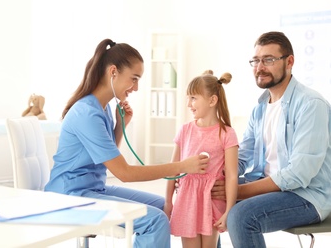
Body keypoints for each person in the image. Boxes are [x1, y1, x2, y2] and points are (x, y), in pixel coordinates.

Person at [44, 38, 210, 248]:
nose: (136, 87)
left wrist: (121, 126)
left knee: (167, 206)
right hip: (70, 197)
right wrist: (182, 166)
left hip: (92, 189)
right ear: (113, 71)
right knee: (155, 221)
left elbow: (106, 157)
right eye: (134, 79)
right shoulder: (86, 113)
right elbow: (124, 173)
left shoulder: (102, 108)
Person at [220, 31, 331, 248]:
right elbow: (242, 157)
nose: (259, 67)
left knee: (241, 217)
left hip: (307, 196)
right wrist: (210, 175)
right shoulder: (260, 108)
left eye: (268, 60)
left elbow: (299, 174)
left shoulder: (311, 104)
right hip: (270, 185)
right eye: (255, 60)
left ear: (289, 62)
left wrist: (236, 190)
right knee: (205, 196)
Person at [164, 70, 239, 248]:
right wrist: (168, 201)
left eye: (194, 98)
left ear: (212, 100)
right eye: (188, 98)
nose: (189, 104)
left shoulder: (227, 133)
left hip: (211, 202)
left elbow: (232, 176)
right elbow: (173, 168)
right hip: (186, 200)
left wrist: (229, 210)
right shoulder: (185, 130)